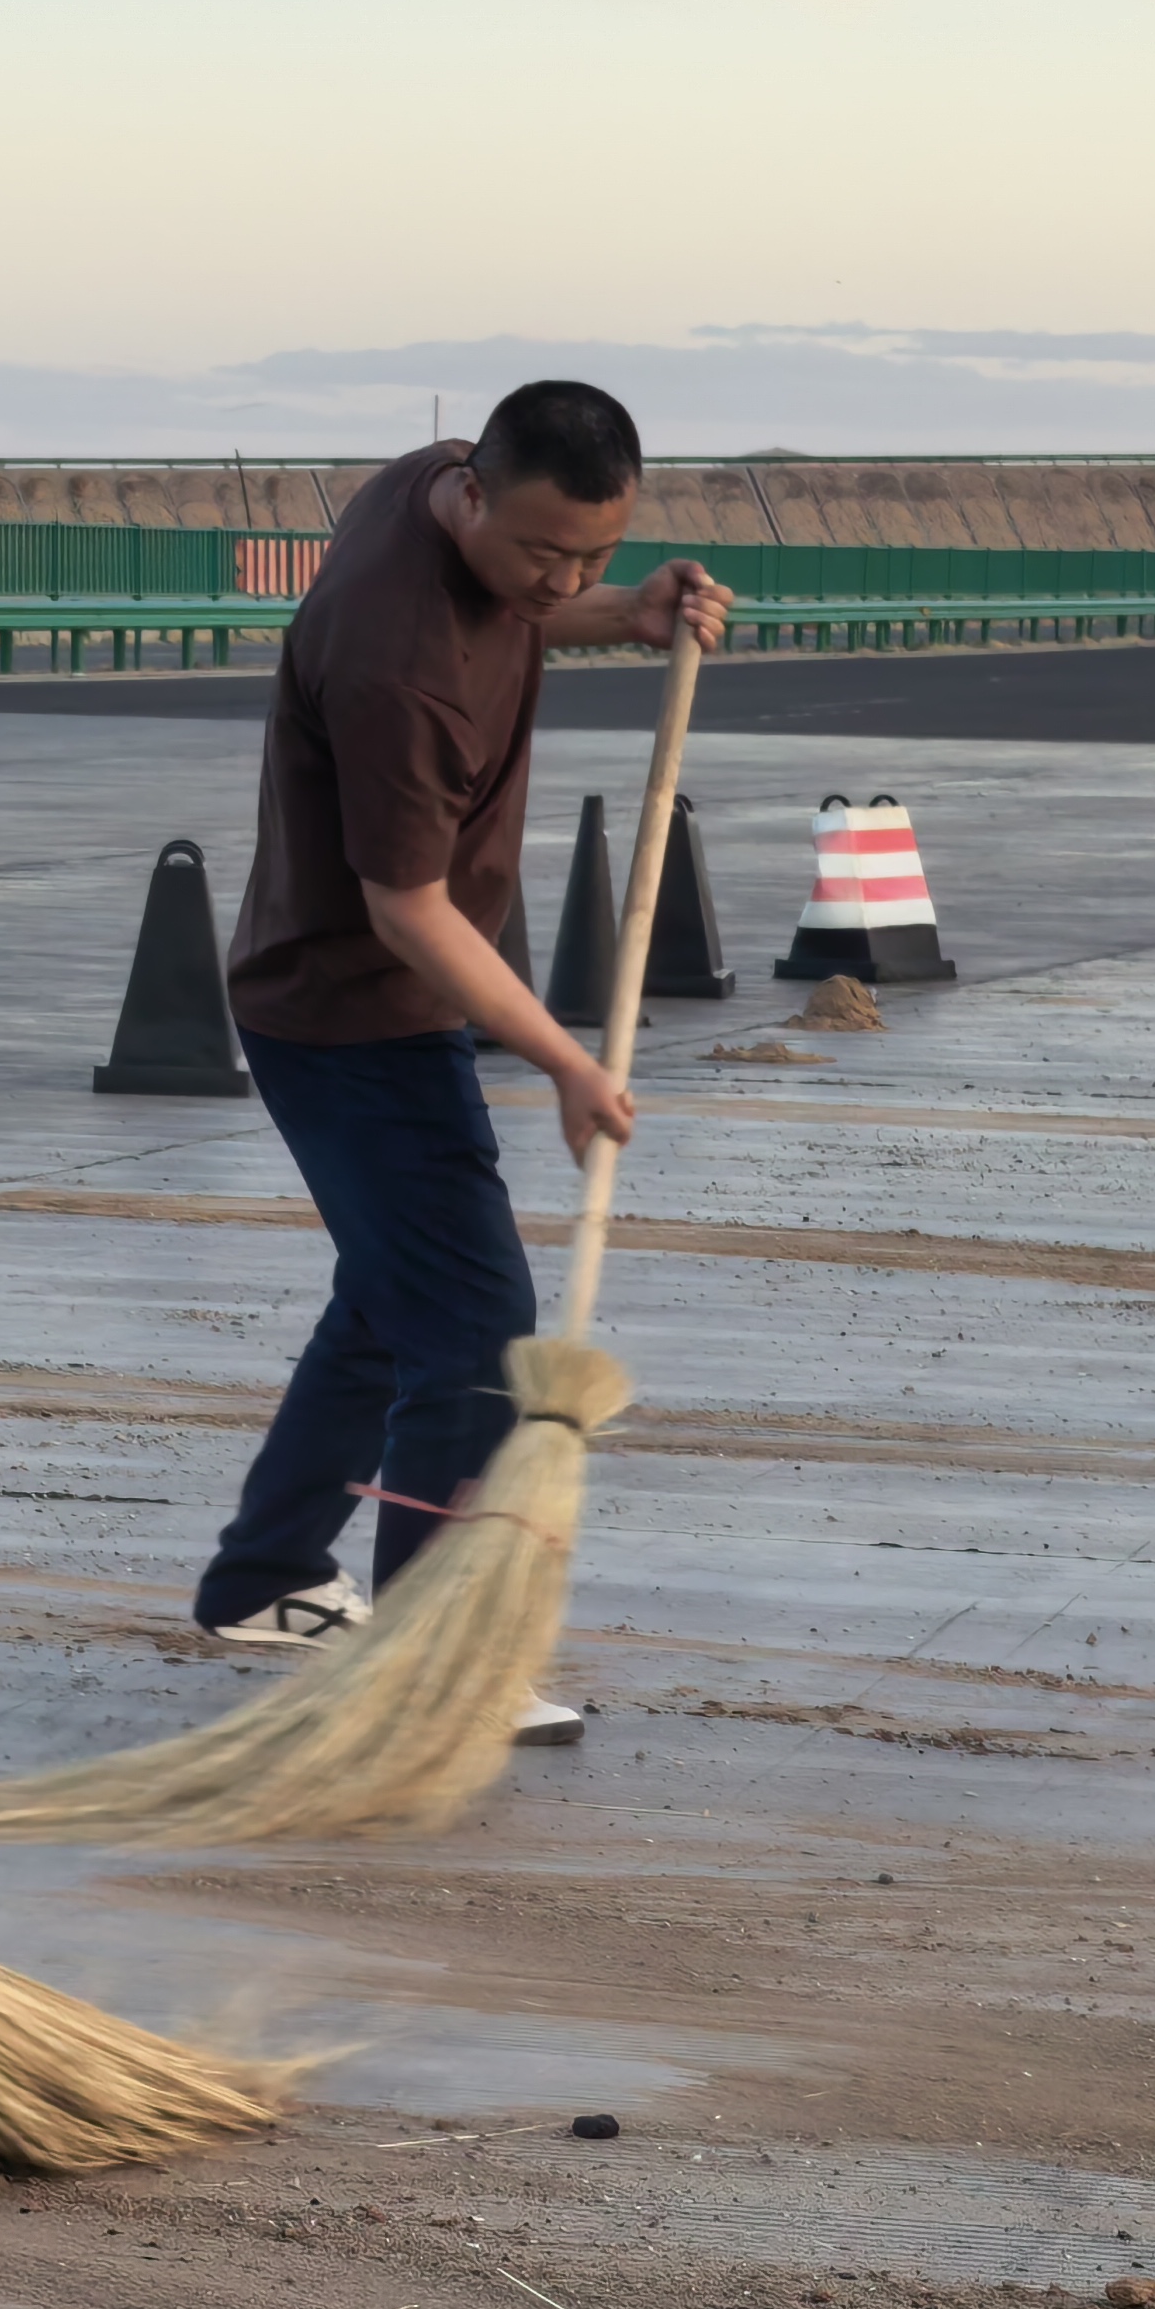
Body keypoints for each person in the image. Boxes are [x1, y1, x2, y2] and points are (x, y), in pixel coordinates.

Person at [193, 382, 728, 1696]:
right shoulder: (398, 662)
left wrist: (627, 613)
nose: (565, 577)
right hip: (353, 1012)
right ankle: (433, 1662)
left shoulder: (431, 477)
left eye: (595, 551)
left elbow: (526, 607)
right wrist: (565, 1057)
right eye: (545, 553)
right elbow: (408, 909)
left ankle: (266, 1579)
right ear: (475, 496)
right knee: (478, 1328)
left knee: (391, 1302)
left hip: (362, 999)